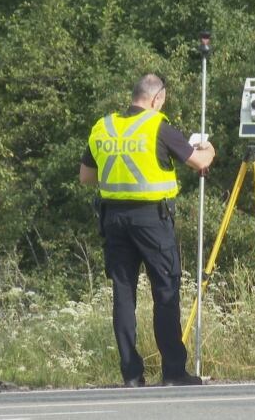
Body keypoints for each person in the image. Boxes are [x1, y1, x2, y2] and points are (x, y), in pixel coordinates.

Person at [79, 73, 215, 387]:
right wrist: (209, 150)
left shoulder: (105, 127)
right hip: (152, 220)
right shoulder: (158, 127)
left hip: (113, 219)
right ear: (157, 99)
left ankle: (131, 374)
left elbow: (86, 177)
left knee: (123, 296)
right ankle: (173, 372)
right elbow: (198, 163)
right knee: (165, 291)